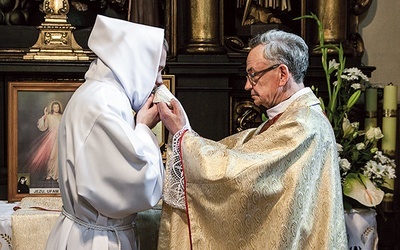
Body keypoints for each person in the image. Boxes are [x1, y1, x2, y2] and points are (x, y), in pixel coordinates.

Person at [157, 29, 348, 249]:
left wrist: (184, 137)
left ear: (282, 74)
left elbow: (242, 174)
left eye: (253, 75)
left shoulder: (302, 124)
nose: (248, 85)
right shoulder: (292, 117)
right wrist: (186, 133)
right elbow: (238, 150)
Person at [45, 15, 166, 250]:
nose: (159, 81)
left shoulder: (102, 94)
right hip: (96, 240)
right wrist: (142, 127)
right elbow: (138, 185)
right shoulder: (103, 101)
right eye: (157, 69)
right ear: (135, 63)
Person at [27, 100, 63, 181]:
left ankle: (58, 174)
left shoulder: (62, 116)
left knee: (59, 155)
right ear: (52, 108)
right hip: (51, 137)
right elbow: (44, 127)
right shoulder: (49, 116)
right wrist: (45, 116)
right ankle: (50, 173)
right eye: (54, 107)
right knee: (51, 156)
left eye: (57, 107)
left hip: (60, 137)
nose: (56, 108)